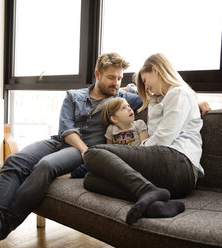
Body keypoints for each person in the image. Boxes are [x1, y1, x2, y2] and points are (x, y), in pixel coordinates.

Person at [0, 52, 143, 248]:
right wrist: (84, 149)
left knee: (45, 165)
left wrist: (130, 87)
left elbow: (147, 96)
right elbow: (65, 130)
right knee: (14, 161)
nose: (116, 83)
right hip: (62, 142)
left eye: (119, 78)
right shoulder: (74, 95)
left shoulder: (122, 98)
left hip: (79, 153)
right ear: (97, 74)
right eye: (111, 77)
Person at [83, 53, 205, 225]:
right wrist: (147, 98)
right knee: (90, 179)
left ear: (155, 70)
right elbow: (156, 135)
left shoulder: (179, 94)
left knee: (92, 153)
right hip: (166, 173)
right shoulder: (162, 99)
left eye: (146, 80)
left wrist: (137, 150)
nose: (147, 87)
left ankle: (147, 190)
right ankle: (154, 200)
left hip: (179, 163)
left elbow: (163, 138)